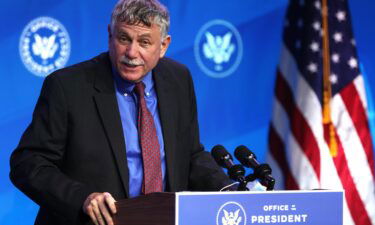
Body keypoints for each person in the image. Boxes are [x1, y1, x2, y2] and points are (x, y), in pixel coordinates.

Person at [9, 0, 232, 224]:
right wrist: (83, 199)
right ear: (110, 34)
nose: (131, 52)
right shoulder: (68, 87)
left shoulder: (178, 79)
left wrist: (230, 191)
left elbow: (190, 154)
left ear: (164, 46)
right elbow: (28, 163)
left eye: (144, 42)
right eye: (124, 38)